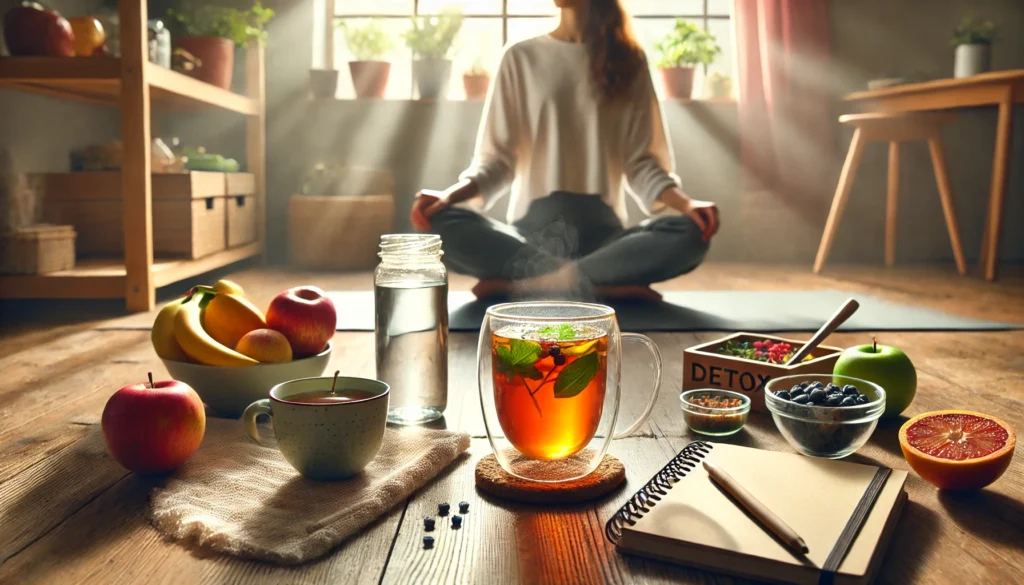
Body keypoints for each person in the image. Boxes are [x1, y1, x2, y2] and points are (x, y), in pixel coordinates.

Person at [410, 0, 719, 300]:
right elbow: (498, 161)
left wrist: (689, 205)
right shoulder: (521, 56)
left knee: (691, 232)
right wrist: (448, 197)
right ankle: (597, 283)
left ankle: (532, 285)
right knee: (435, 227)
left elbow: (642, 164)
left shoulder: (629, 60)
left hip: (604, 239)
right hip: (530, 239)